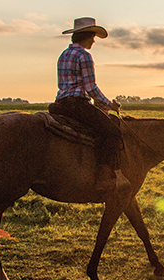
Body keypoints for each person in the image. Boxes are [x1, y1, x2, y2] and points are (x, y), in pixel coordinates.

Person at [51, 17, 128, 194]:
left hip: (61, 103)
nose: (94, 40)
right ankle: (103, 175)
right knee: (112, 132)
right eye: (93, 36)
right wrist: (110, 105)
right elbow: (91, 88)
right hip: (77, 104)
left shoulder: (64, 54)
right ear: (87, 36)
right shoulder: (84, 56)